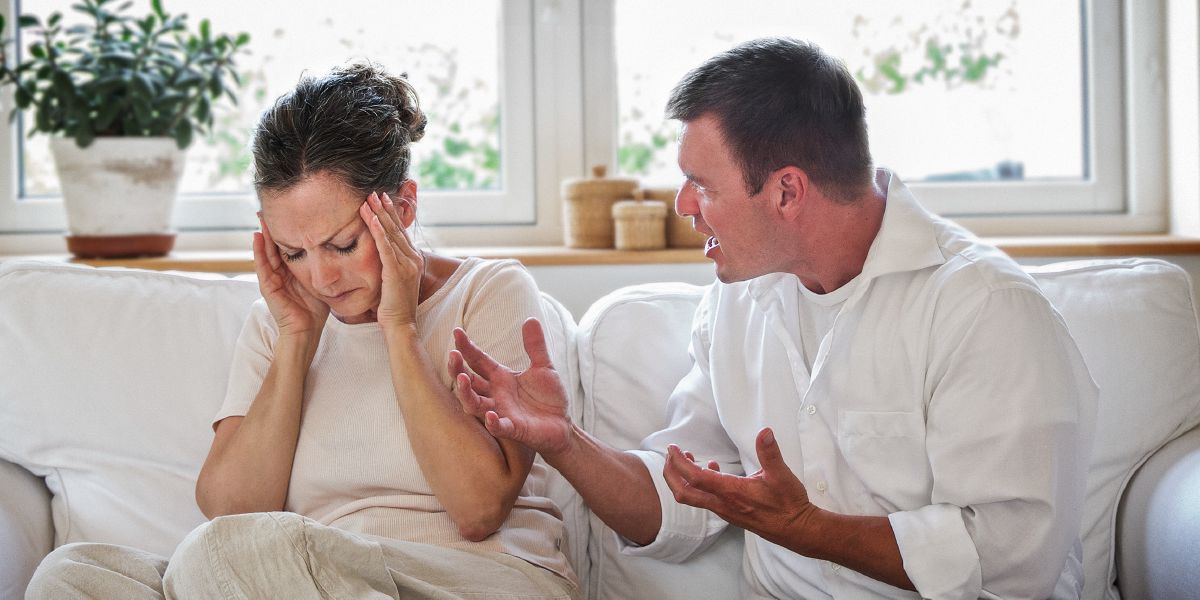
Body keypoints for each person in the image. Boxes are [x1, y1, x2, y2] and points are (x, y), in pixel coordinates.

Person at [450, 38, 1097, 599]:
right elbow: (684, 500)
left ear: (787, 190)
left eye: (701, 185)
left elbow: (1017, 564)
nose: (682, 206)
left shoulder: (983, 309)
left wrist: (808, 529)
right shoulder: (737, 301)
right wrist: (562, 441)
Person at [26, 62, 577, 600]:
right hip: (301, 579)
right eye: (294, 252)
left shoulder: (489, 291)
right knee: (73, 575)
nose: (321, 277)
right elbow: (231, 511)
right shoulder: (283, 320)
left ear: (402, 207)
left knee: (237, 555)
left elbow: (479, 510)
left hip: (472, 577)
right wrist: (295, 339)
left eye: (342, 245)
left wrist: (399, 326)